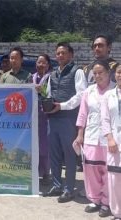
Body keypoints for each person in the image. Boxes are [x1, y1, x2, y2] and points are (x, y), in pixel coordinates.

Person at [44, 42, 87, 203]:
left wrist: (62, 106)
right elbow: (49, 93)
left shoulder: (78, 72)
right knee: (53, 153)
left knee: (69, 155)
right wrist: (46, 104)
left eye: (63, 53)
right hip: (53, 118)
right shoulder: (52, 74)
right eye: (58, 53)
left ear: (71, 55)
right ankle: (56, 185)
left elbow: (81, 95)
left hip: (68, 118)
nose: (60, 56)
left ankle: (69, 189)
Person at [74, 60, 114, 217]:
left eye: (101, 73)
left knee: (108, 171)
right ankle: (95, 199)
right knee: (91, 170)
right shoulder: (88, 91)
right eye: (95, 73)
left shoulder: (115, 90)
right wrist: (80, 134)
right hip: (91, 137)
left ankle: (106, 202)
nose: (97, 76)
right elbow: (82, 114)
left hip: (110, 139)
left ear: (108, 73)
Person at [101, 65, 121, 220]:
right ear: (115, 75)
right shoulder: (108, 95)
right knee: (114, 179)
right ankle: (117, 212)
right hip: (114, 141)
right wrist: (110, 138)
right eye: (119, 72)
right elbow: (105, 119)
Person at [33, 54, 52, 185]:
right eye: (39, 62)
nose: (41, 65)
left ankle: (46, 173)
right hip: (33, 116)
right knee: (34, 145)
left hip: (46, 116)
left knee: (45, 145)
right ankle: (36, 172)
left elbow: (52, 94)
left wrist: (42, 89)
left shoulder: (51, 77)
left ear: (48, 65)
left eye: (43, 63)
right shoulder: (31, 77)